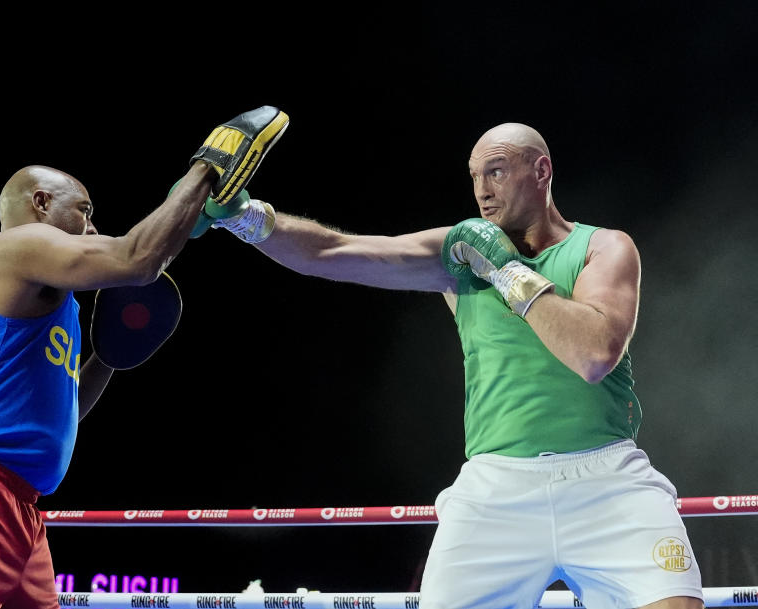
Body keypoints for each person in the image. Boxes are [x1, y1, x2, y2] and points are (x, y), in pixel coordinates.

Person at [202, 123, 704, 609]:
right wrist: (247, 217)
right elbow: (334, 251)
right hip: (495, 489)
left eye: (498, 171)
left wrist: (508, 274)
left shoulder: (602, 248)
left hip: (608, 480)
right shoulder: (459, 256)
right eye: (474, 176)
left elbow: (593, 356)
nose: (482, 191)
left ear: (541, 170)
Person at [0, 105, 290, 609]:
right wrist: (206, 169)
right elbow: (135, 259)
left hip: (17, 505)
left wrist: (109, 356)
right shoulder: (16, 246)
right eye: (85, 210)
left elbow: (64, 411)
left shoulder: (57, 304)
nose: (95, 228)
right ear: (40, 202)